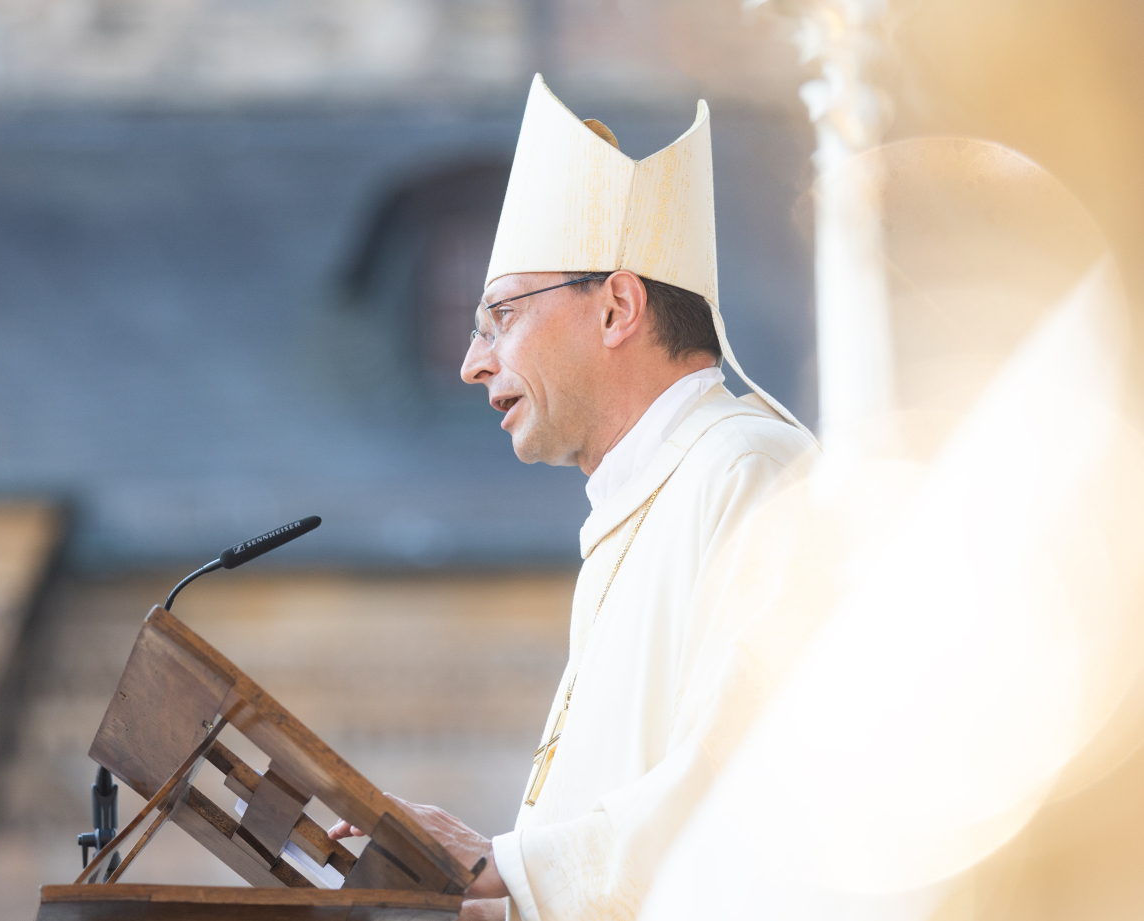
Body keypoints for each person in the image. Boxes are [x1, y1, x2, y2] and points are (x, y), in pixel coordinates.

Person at [330, 74, 817, 921]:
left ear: (617, 306)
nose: (472, 363)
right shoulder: (633, 511)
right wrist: (489, 885)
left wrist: (498, 864)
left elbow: (751, 786)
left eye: (501, 316)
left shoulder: (752, 472)